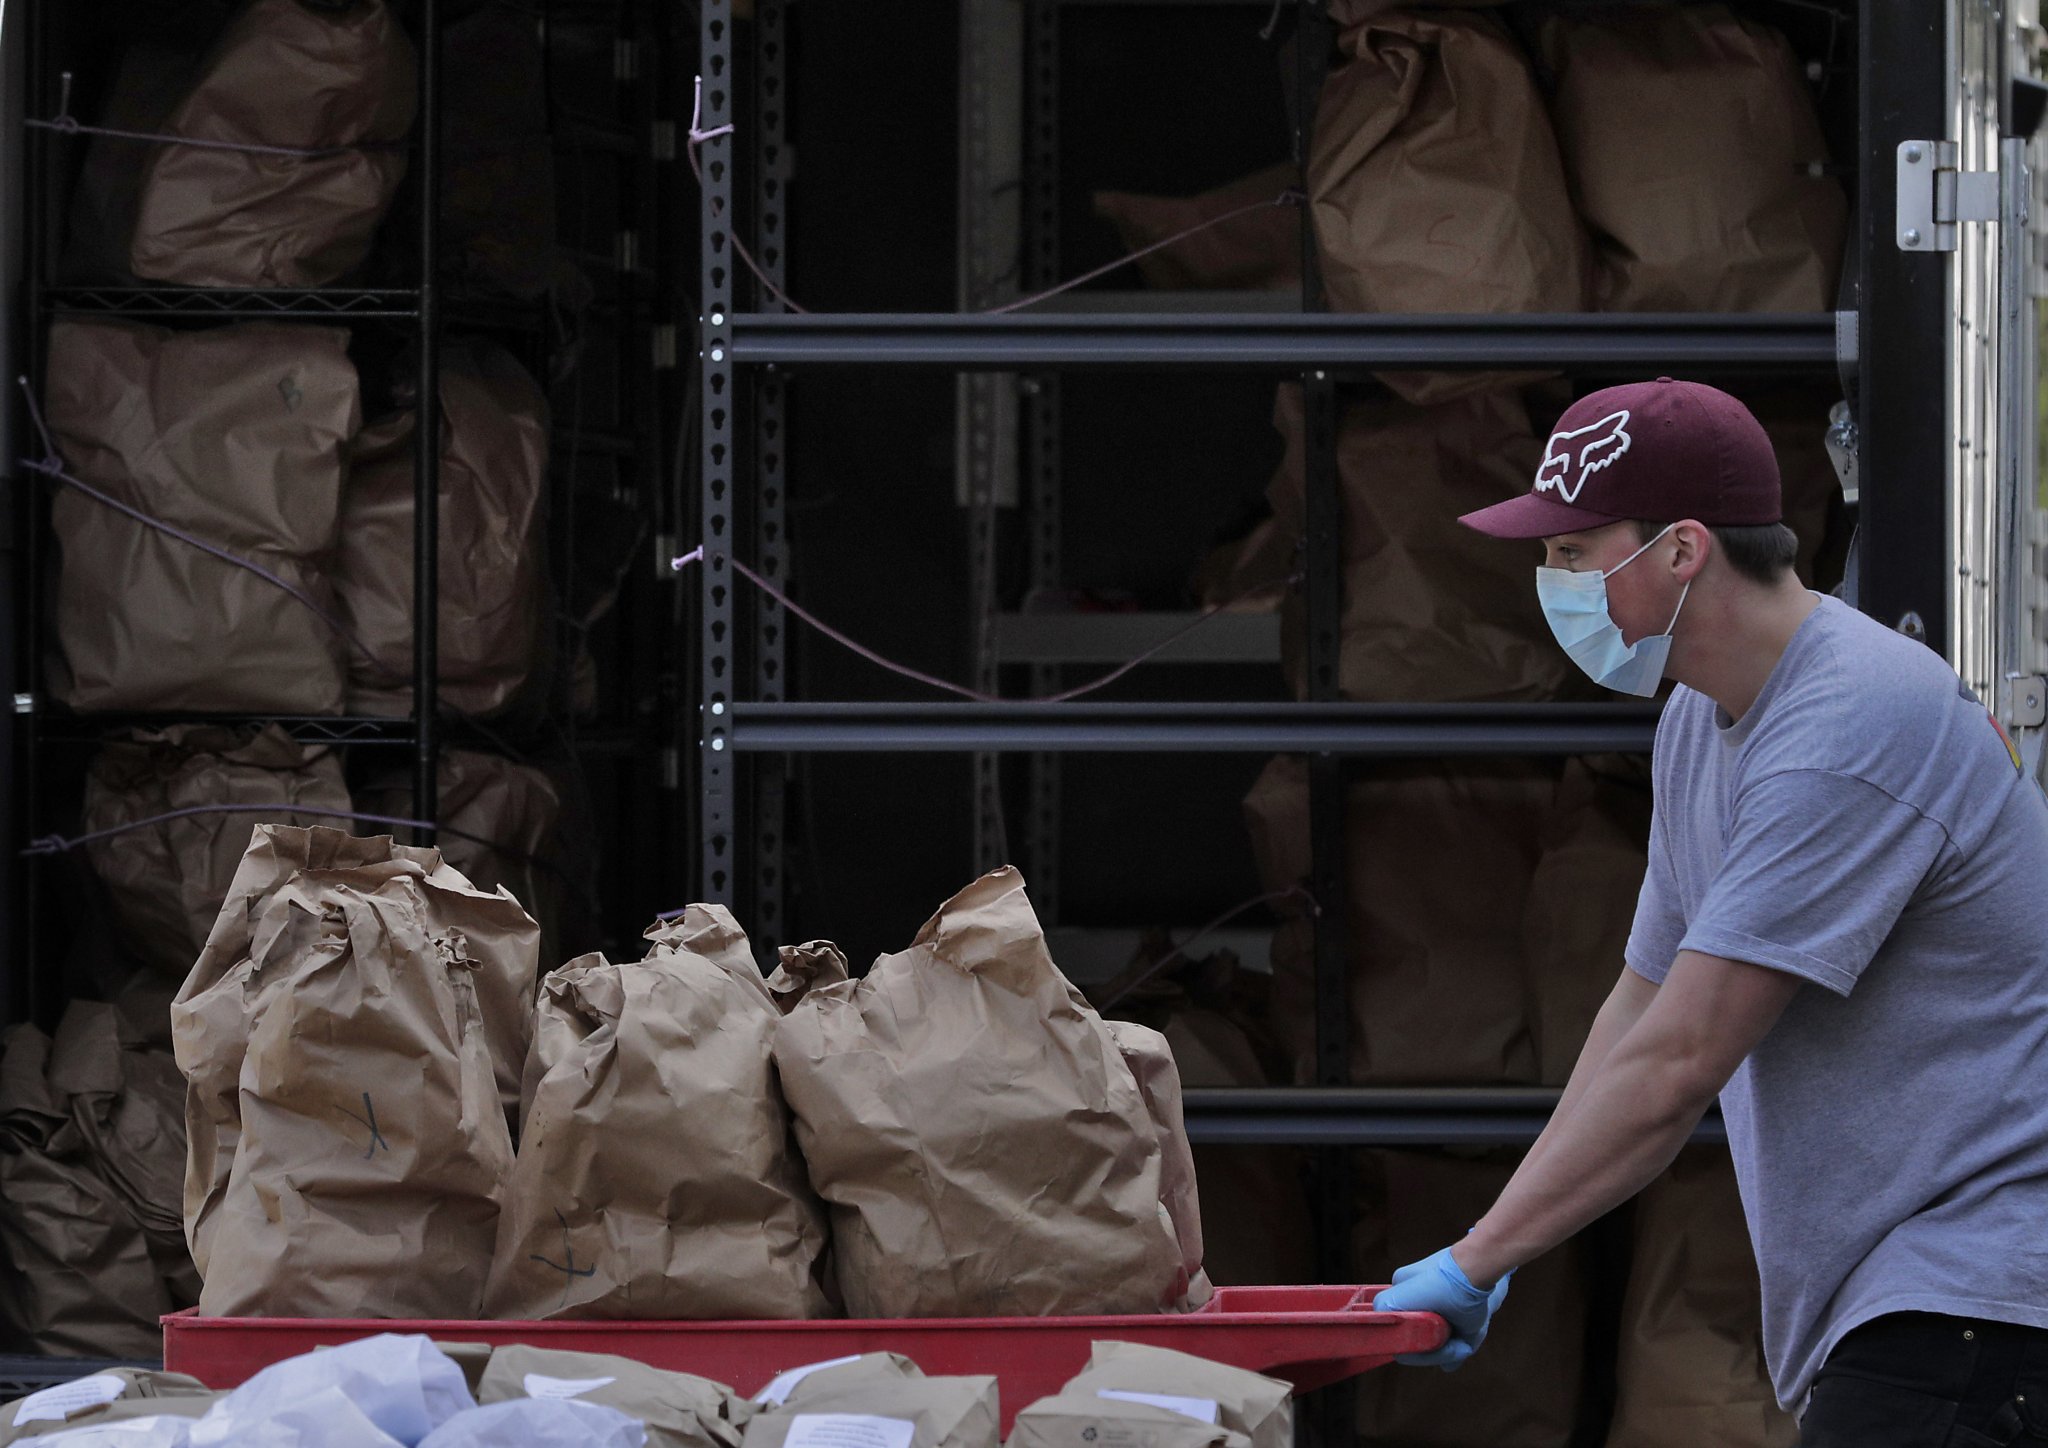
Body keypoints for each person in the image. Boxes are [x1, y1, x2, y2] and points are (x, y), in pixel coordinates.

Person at [1372, 377, 2048, 1446]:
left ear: (1681, 550)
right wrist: (1490, 1240)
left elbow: (1683, 1054)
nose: (1548, 583)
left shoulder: (1850, 724)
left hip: (1973, 1296)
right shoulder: (1702, 716)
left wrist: (1478, 1255)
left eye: (1570, 553)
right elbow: (1639, 1004)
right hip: (1915, 1303)